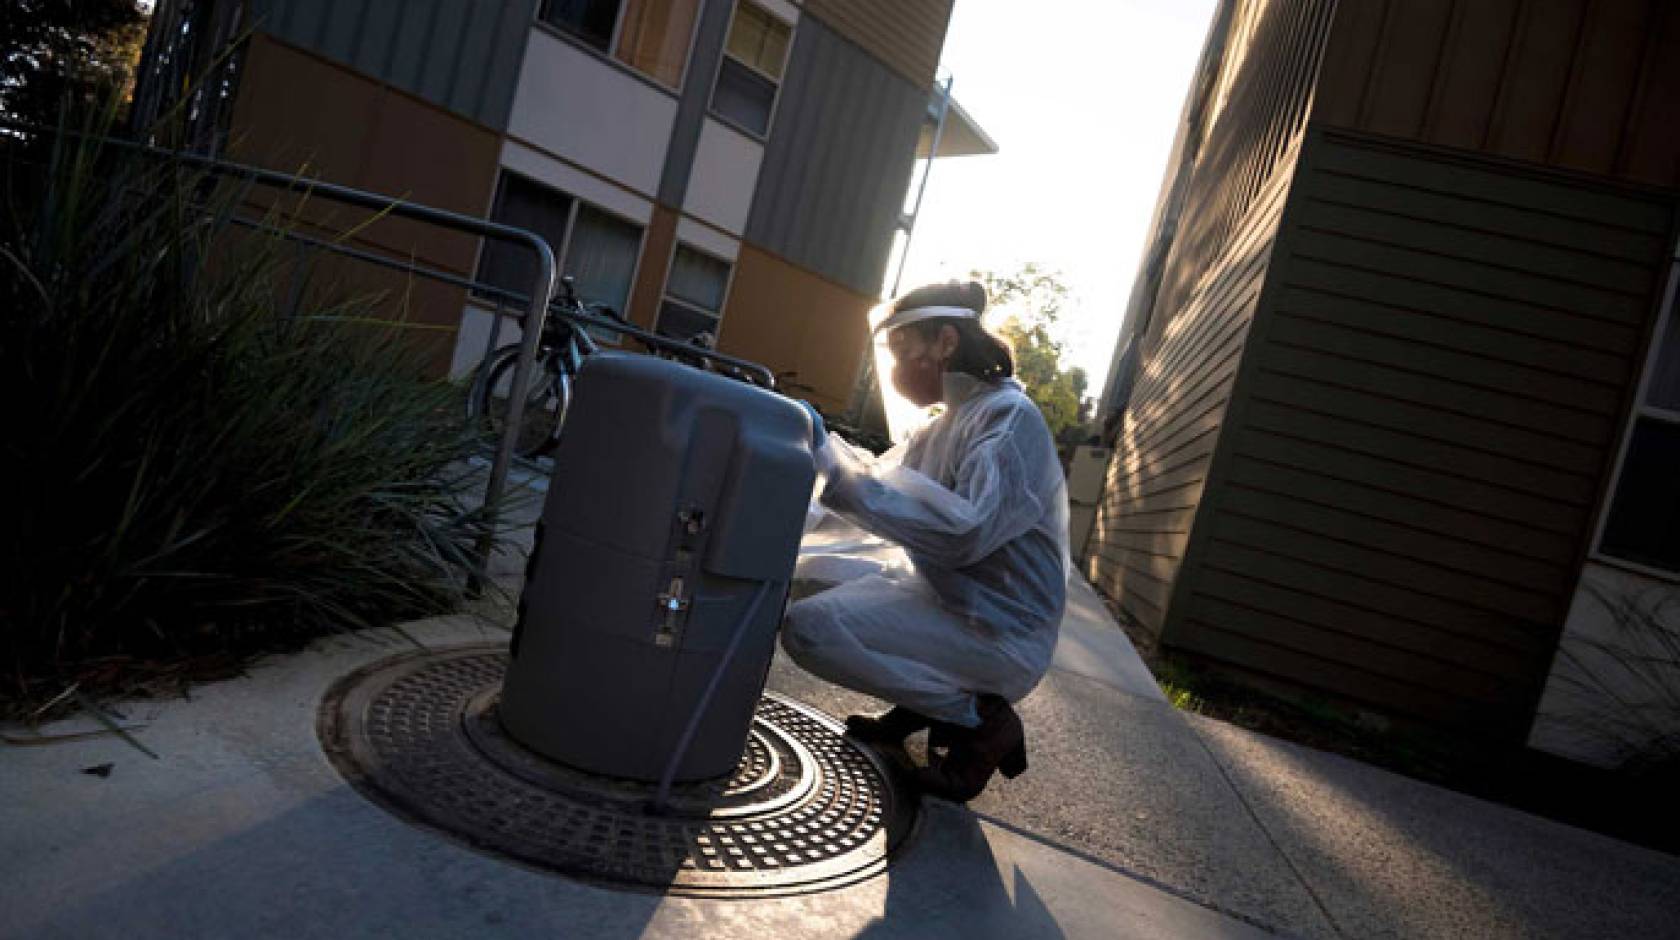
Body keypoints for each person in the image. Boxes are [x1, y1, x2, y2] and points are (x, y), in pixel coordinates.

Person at [782, 280, 1070, 802]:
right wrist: (785, 495)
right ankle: (921, 704)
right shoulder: (947, 426)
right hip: (954, 603)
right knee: (802, 583)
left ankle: (979, 720)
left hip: (1001, 632)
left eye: (899, 351)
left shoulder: (1007, 422)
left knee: (809, 631)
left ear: (945, 342)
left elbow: (965, 536)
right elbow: (873, 491)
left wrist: (835, 469)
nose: (892, 371)